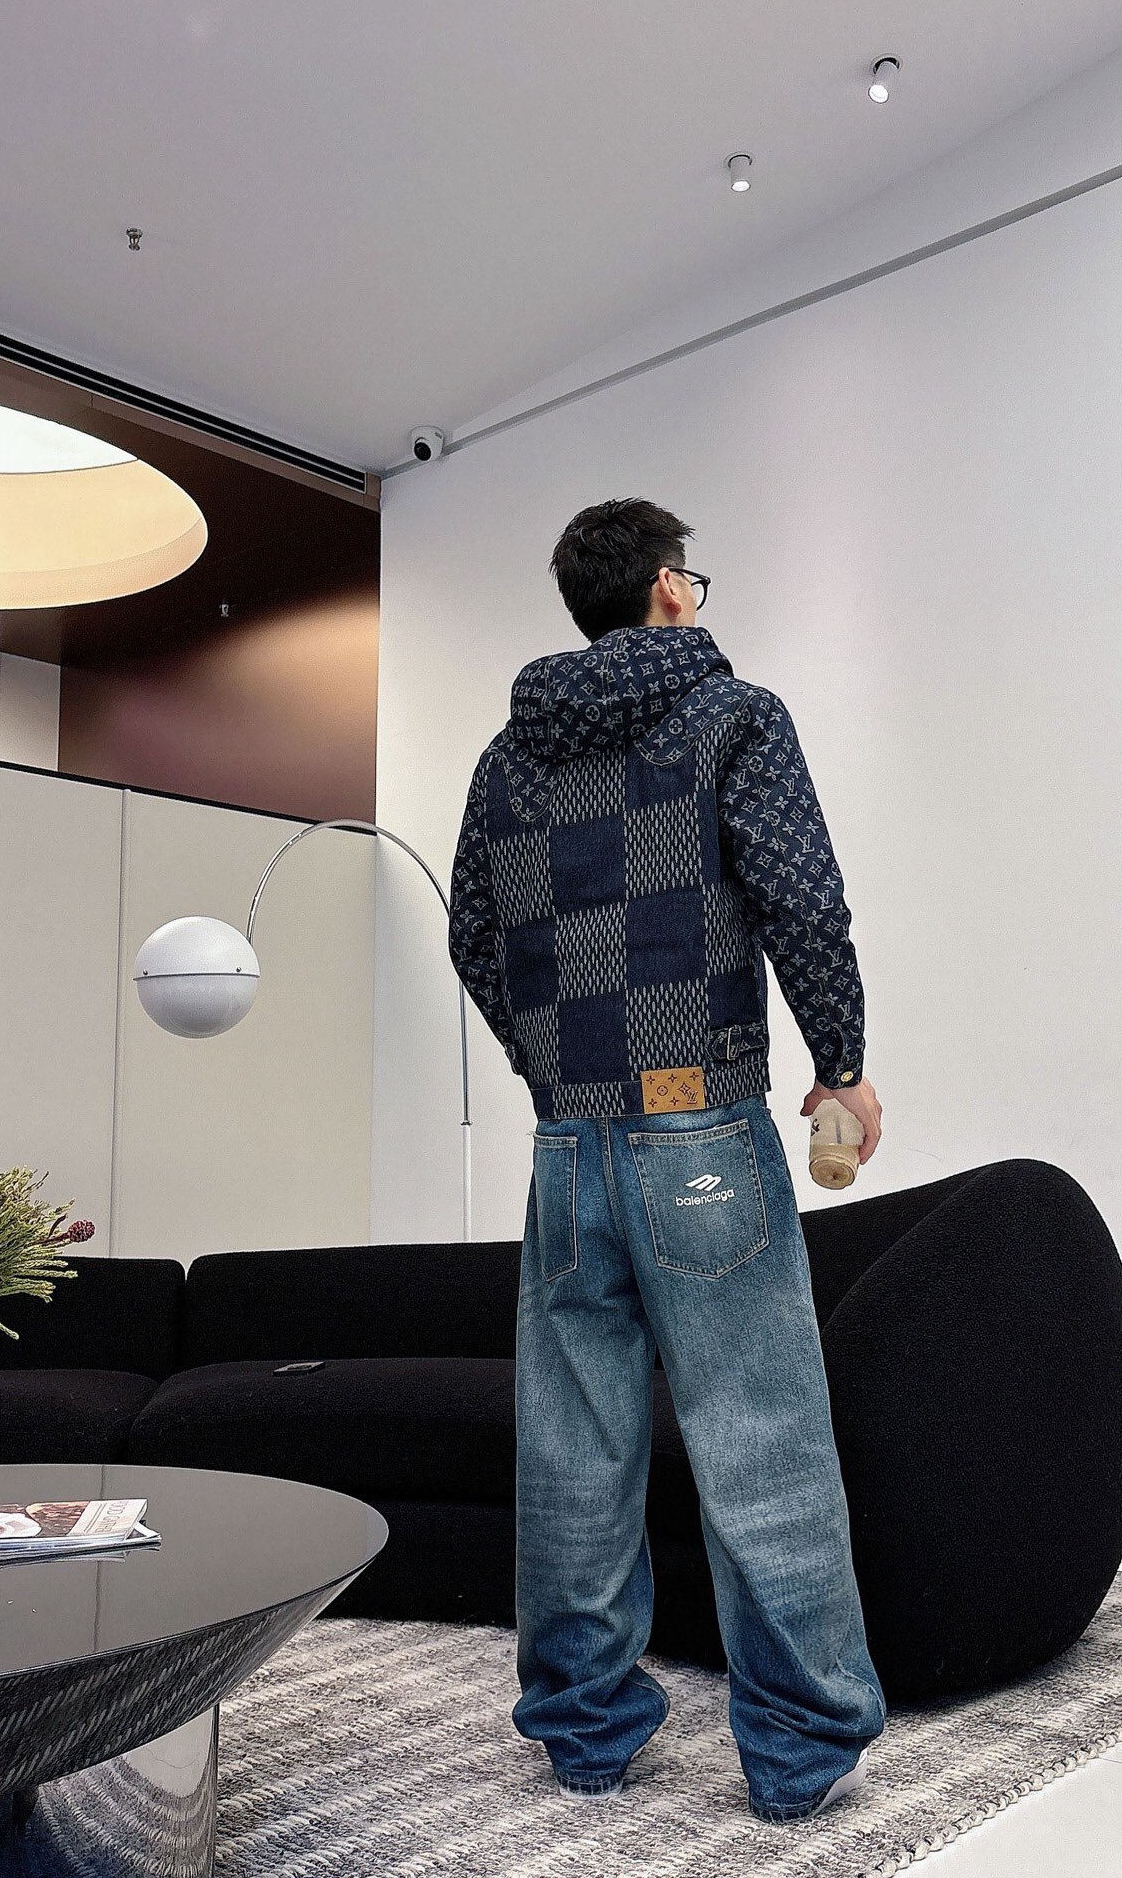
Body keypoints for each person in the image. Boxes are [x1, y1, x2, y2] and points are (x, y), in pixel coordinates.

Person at [447, 496, 886, 1825]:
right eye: (690, 573)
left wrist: (553, 1070)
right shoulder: (733, 716)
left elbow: (474, 937)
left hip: (569, 1146)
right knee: (760, 1433)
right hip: (703, 1125)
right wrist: (843, 1062)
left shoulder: (506, 758)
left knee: (574, 1444)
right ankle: (798, 1749)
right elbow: (800, 895)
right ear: (669, 590)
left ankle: (585, 1731)